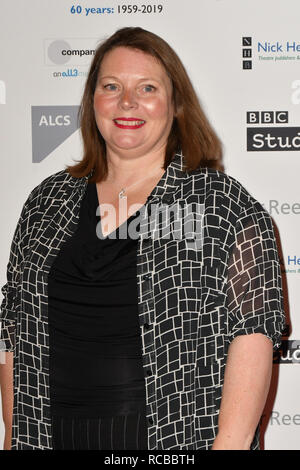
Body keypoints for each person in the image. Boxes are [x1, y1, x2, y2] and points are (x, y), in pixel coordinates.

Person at [0, 26, 285, 450]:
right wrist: (12, 440)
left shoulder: (222, 205)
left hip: (173, 441)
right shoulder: (45, 203)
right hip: (50, 436)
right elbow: (15, 333)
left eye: (146, 87)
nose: (127, 102)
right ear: (92, 101)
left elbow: (253, 333)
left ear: (176, 106)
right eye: (111, 86)